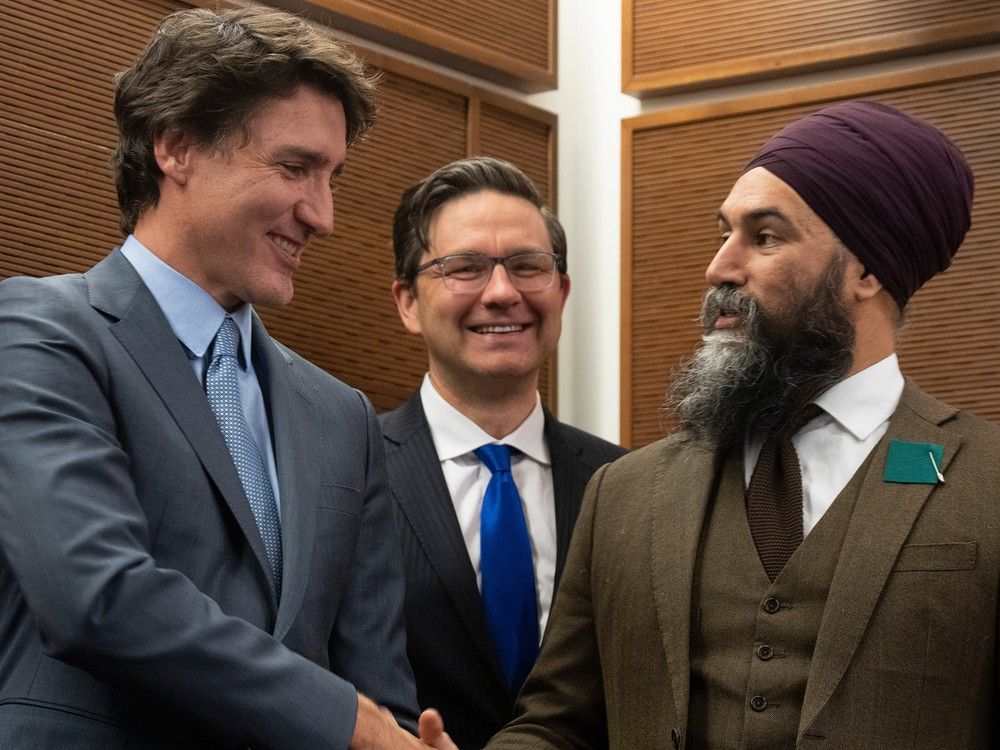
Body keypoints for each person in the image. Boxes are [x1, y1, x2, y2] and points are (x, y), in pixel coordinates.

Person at [0, 7, 453, 749]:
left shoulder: (342, 416)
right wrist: (352, 724)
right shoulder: (40, 333)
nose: (324, 215)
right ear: (177, 146)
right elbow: (95, 594)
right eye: (294, 167)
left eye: (332, 177)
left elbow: (378, 693)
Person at [488, 101, 1000, 748]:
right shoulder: (624, 493)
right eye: (723, 232)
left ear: (867, 270)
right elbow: (557, 727)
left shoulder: (988, 483)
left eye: (764, 236)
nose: (719, 268)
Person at [382, 157, 626, 748]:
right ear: (408, 302)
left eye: (527, 266)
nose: (501, 292)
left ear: (561, 293)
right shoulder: (345, 470)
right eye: (464, 268)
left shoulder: (625, 484)